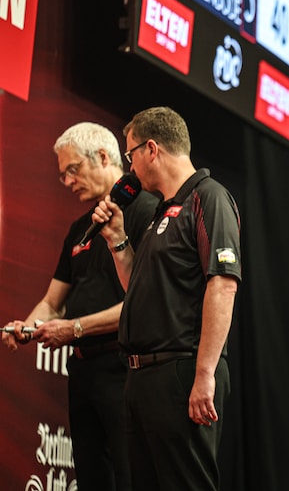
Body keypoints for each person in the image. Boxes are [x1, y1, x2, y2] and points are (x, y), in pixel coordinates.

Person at [2, 122, 160, 491]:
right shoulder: (79, 228)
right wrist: (27, 326)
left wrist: (74, 329)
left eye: (72, 169)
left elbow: (143, 304)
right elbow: (52, 302)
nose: (68, 182)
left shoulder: (147, 212)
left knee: (131, 478)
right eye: (62, 176)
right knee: (91, 479)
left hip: (126, 371)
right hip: (84, 372)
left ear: (104, 157)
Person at [91, 106, 241, 491]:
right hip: (142, 375)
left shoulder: (209, 197)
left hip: (181, 370)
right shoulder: (161, 212)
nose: (130, 167)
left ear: (152, 149)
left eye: (131, 155)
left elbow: (223, 285)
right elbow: (139, 291)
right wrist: (117, 240)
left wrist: (204, 374)